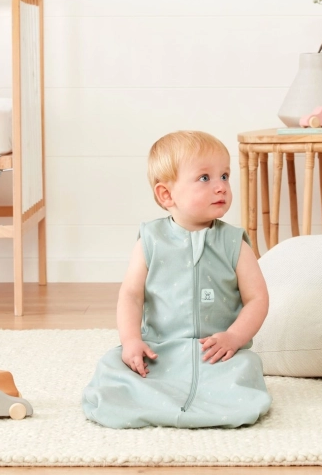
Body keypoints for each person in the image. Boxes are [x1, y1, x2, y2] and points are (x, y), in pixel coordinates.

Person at [82, 130, 271, 428]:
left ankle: (208, 403)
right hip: (160, 352)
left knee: (247, 366)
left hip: (216, 355)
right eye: (205, 178)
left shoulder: (235, 243)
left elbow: (257, 298)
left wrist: (234, 338)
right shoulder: (150, 240)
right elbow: (131, 295)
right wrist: (131, 341)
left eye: (224, 176)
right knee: (112, 365)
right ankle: (154, 397)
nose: (221, 187)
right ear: (166, 195)